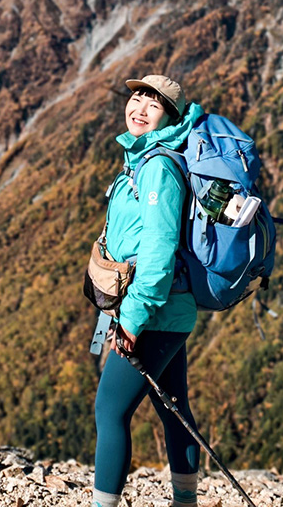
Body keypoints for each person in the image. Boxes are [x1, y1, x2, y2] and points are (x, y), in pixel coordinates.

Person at [92, 75, 205, 507]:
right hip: (169, 311)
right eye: (137, 96)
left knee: (110, 411)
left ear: (170, 117)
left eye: (153, 103)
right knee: (174, 407)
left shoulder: (157, 167)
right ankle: (185, 502)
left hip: (153, 312)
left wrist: (132, 319)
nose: (139, 106)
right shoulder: (142, 160)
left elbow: (157, 253)